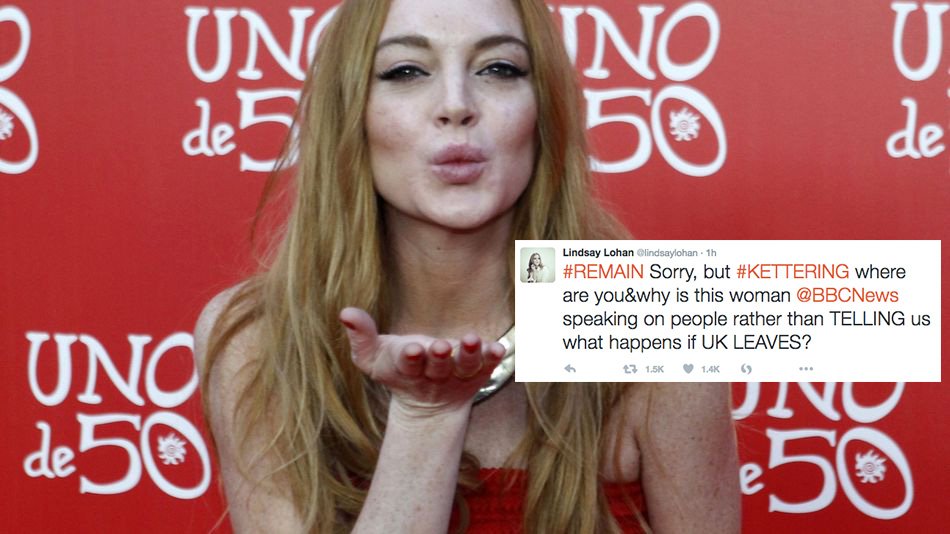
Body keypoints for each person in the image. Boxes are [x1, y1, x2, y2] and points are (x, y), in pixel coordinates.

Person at [194, 0, 740, 532]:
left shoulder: (659, 318)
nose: (456, 105)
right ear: (350, 113)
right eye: (406, 71)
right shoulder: (257, 337)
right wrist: (425, 417)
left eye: (499, 68)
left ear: (544, 110)